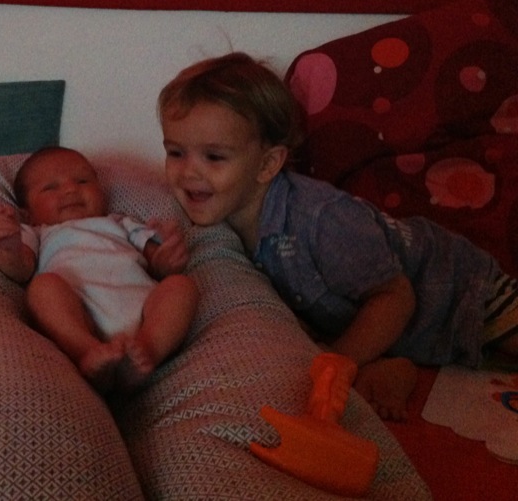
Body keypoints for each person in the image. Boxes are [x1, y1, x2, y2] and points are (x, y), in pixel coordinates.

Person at [157, 51, 518, 420]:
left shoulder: (322, 219)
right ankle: (392, 367)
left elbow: (396, 297)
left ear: (267, 164)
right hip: (395, 334)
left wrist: (337, 359)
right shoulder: (215, 213)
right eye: (176, 152)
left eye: (214, 157)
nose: (188, 173)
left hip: (462, 290)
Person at [0, 146, 199, 394]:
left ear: (102, 192)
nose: (70, 189)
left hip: (144, 314)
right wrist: (9, 246)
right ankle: (87, 351)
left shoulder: (121, 222)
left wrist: (167, 258)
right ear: (28, 214)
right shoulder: (38, 232)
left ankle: (148, 349)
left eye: (82, 181)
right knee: (42, 287)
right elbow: (20, 270)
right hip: (82, 317)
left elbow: (156, 262)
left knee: (181, 285)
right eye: (51, 187)